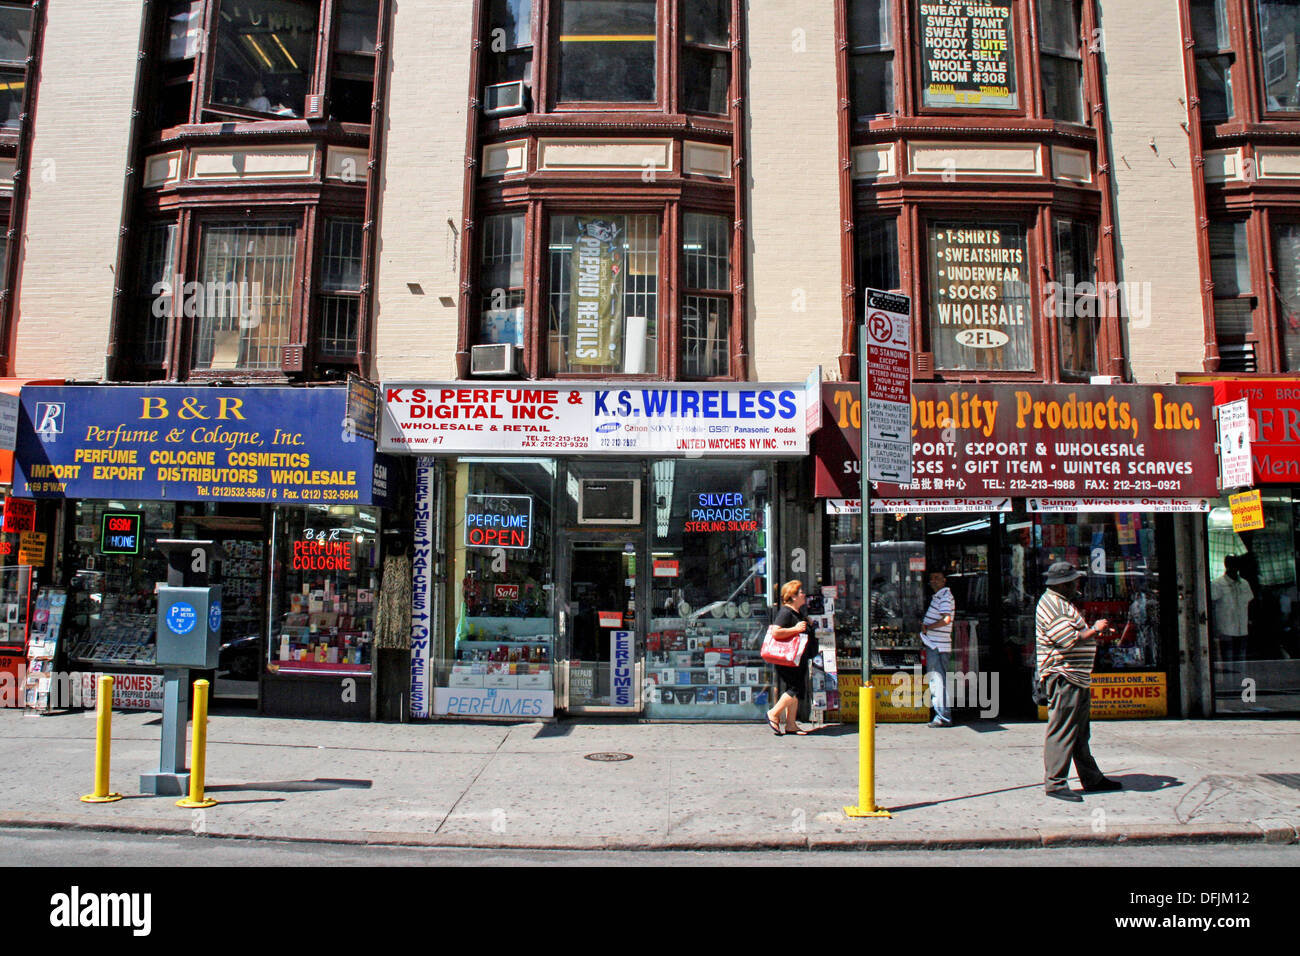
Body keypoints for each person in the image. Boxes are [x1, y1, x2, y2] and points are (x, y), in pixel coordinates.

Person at [1036, 561, 1121, 802]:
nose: (1077, 584)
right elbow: (1068, 640)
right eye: (1074, 581)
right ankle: (1055, 783)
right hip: (1064, 676)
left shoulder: (1061, 603)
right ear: (1063, 584)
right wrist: (1095, 628)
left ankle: (1092, 778)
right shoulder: (1052, 604)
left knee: (1080, 732)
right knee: (1062, 730)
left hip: (1075, 677)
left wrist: (1095, 634)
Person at [765, 579, 817, 736]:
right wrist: (795, 629)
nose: (804, 595)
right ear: (793, 596)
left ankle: (791, 724)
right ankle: (773, 713)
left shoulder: (798, 612)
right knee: (795, 688)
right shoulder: (785, 612)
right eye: (801, 592)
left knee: (794, 689)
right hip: (787, 659)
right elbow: (776, 632)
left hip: (797, 658)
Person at [920, 570, 955, 727]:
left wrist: (928, 627)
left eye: (937, 578)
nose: (933, 581)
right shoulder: (940, 596)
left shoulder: (945, 596)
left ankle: (943, 716)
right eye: (931, 578)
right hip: (937, 645)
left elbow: (946, 619)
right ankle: (942, 714)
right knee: (938, 680)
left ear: (944, 580)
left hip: (937, 646)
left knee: (937, 681)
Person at [1210, 554, 1253, 672]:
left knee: (1241, 662)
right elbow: (1212, 607)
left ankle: (1240, 685)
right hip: (1226, 630)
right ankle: (1230, 686)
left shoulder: (1244, 584)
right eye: (1232, 564)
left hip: (1242, 629)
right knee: (1228, 663)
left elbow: (1248, 603)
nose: (1235, 567)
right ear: (1226, 565)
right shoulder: (1217, 584)